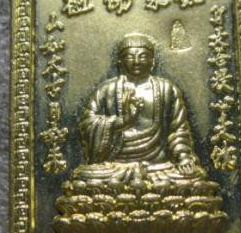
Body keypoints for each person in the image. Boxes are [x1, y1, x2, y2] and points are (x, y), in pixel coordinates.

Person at [73, 33, 207, 184]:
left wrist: (183, 156)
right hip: (115, 165)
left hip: (158, 166)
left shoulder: (166, 89)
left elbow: (178, 128)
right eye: (130, 57)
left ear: (152, 61)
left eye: (143, 56)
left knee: (194, 176)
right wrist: (121, 122)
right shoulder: (107, 90)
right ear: (120, 62)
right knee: (85, 175)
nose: (136, 61)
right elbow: (87, 123)